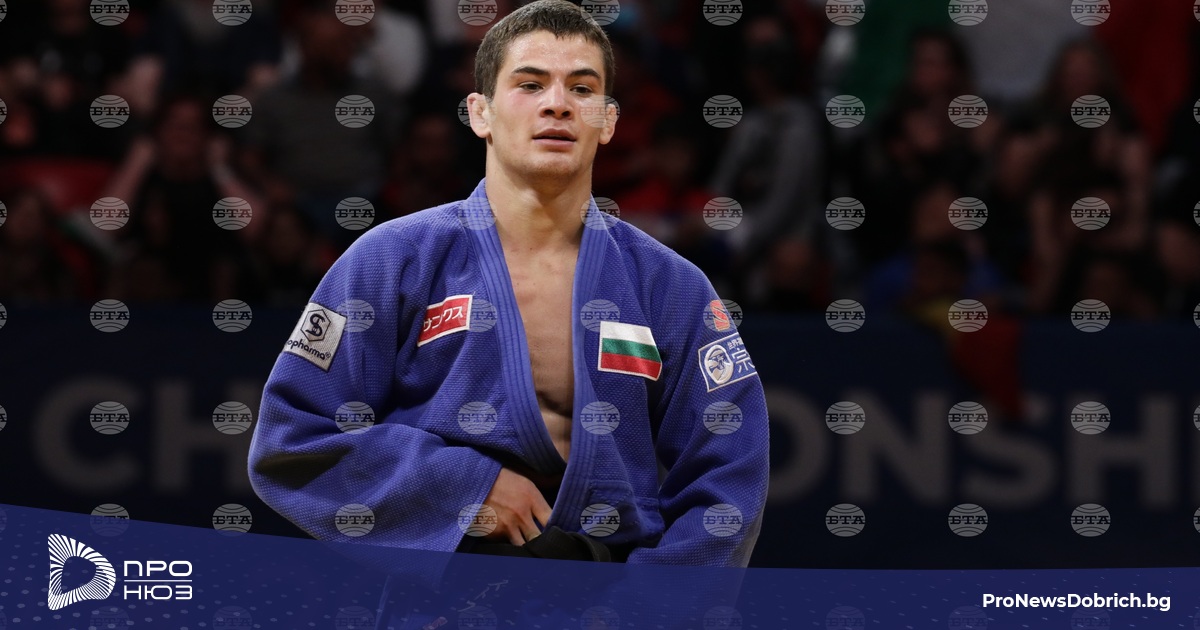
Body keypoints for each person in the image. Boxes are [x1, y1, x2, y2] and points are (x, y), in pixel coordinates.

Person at [248, 0, 769, 567]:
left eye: (582, 89)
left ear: (608, 120)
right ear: (480, 113)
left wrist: (652, 602)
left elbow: (731, 473)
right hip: (439, 592)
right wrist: (462, 489)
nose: (557, 104)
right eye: (530, 84)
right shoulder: (390, 259)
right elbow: (291, 438)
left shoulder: (671, 287)